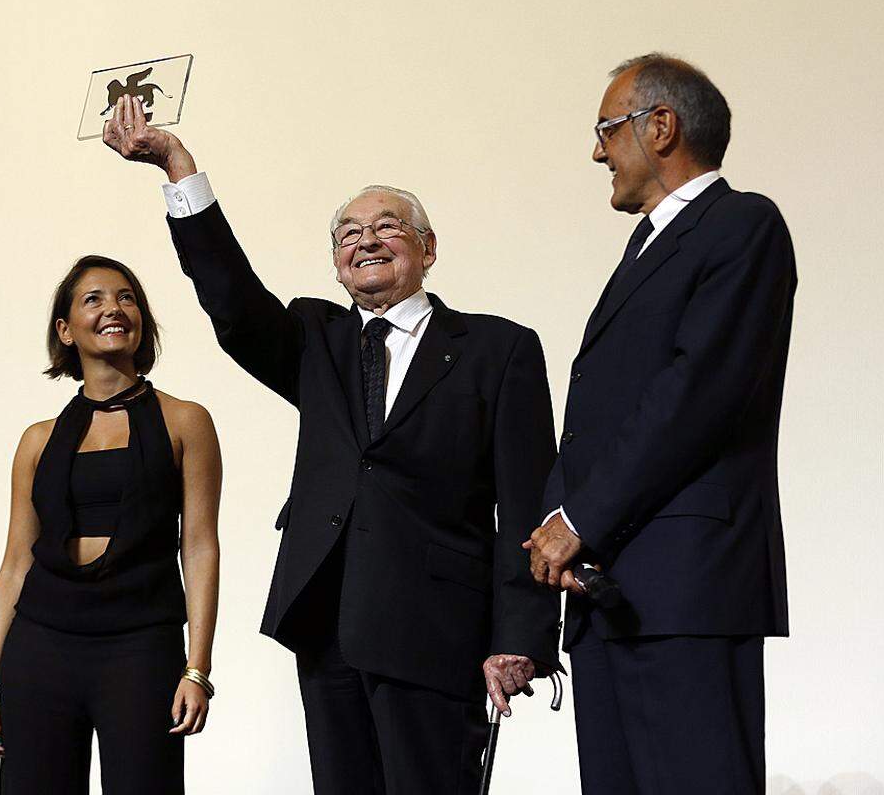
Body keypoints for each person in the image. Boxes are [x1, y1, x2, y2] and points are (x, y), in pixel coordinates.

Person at [103, 94, 560, 794]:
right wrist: (177, 167)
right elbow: (230, 297)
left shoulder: (498, 350)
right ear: (336, 264)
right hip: (329, 622)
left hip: (438, 629)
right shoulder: (316, 339)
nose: (367, 241)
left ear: (428, 249)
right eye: (349, 234)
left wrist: (521, 636)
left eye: (388, 227)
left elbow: (528, 504)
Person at [525, 54, 796, 794]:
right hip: (607, 589)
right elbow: (599, 411)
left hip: (687, 589)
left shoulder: (741, 224)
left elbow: (696, 394)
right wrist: (556, 516)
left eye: (607, 130)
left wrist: (579, 515)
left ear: (662, 126)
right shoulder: (646, 246)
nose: (597, 152)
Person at [0, 255, 222, 794]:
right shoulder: (38, 439)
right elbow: (16, 562)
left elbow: (199, 549)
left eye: (126, 297)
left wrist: (197, 668)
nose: (114, 308)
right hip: (41, 647)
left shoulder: (186, 421)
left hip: (140, 647)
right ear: (65, 330)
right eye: (94, 299)